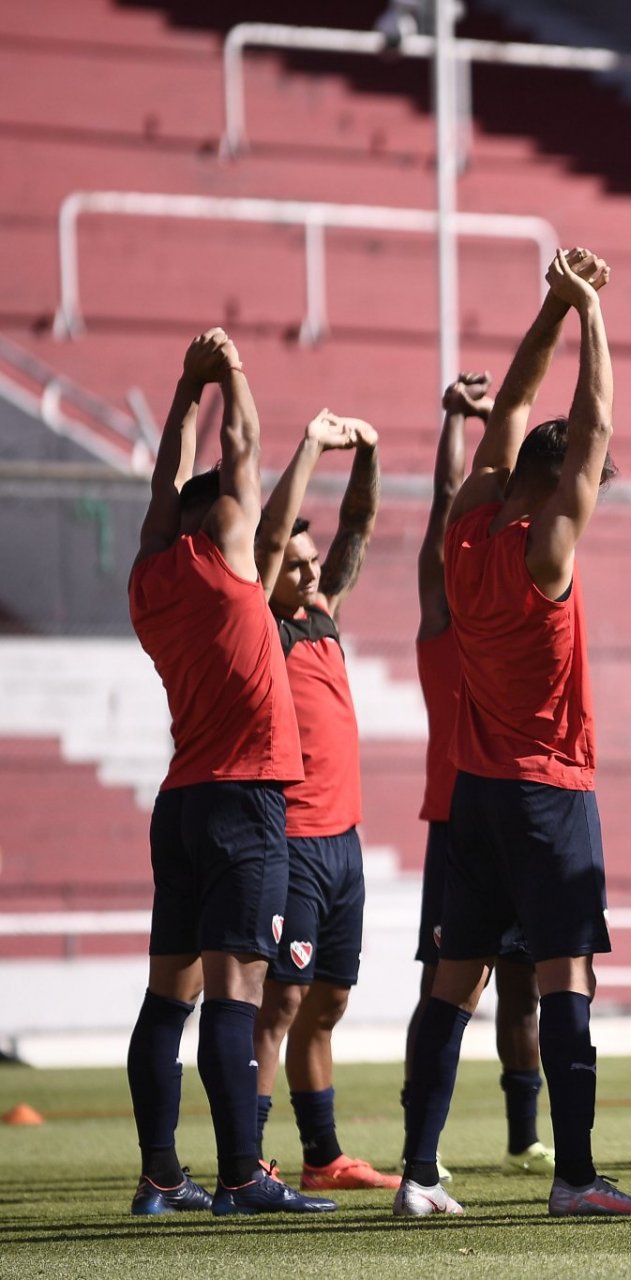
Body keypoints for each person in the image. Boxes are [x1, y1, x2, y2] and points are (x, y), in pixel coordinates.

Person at [394, 246, 631, 1218]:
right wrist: (591, 312)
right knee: (563, 975)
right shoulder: (546, 551)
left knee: (452, 984)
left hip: (472, 790)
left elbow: (510, 412)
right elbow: (590, 429)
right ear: (557, 487)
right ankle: (575, 1176)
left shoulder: (467, 525)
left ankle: (418, 1173)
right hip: (549, 789)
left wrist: (549, 308)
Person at [126, 329, 335, 1216]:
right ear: (225, 517)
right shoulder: (227, 563)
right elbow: (238, 451)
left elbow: (164, 486)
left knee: (167, 998)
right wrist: (232, 373)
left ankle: (162, 1177)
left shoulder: (148, 580)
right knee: (238, 990)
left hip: (180, 802)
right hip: (245, 799)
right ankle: (246, 1174)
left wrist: (186, 387)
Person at [406, 372, 554, 1179]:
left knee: (524, 989)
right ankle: (419, 1143)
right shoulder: (444, 626)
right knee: (448, 985)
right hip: (458, 814)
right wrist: (456, 429)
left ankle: (523, 1132)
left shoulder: (514, 614)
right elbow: (447, 517)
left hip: (510, 803)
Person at [249, 407, 400, 1192]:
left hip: (345, 843)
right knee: (282, 1003)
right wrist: (307, 444)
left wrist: (367, 452)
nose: (310, 575)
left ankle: (322, 1157)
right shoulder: (262, 631)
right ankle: (252, 1161)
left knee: (330, 998)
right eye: (297, 566)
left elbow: (361, 524)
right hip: (296, 841)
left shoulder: (323, 617)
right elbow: (273, 535)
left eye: (313, 567)